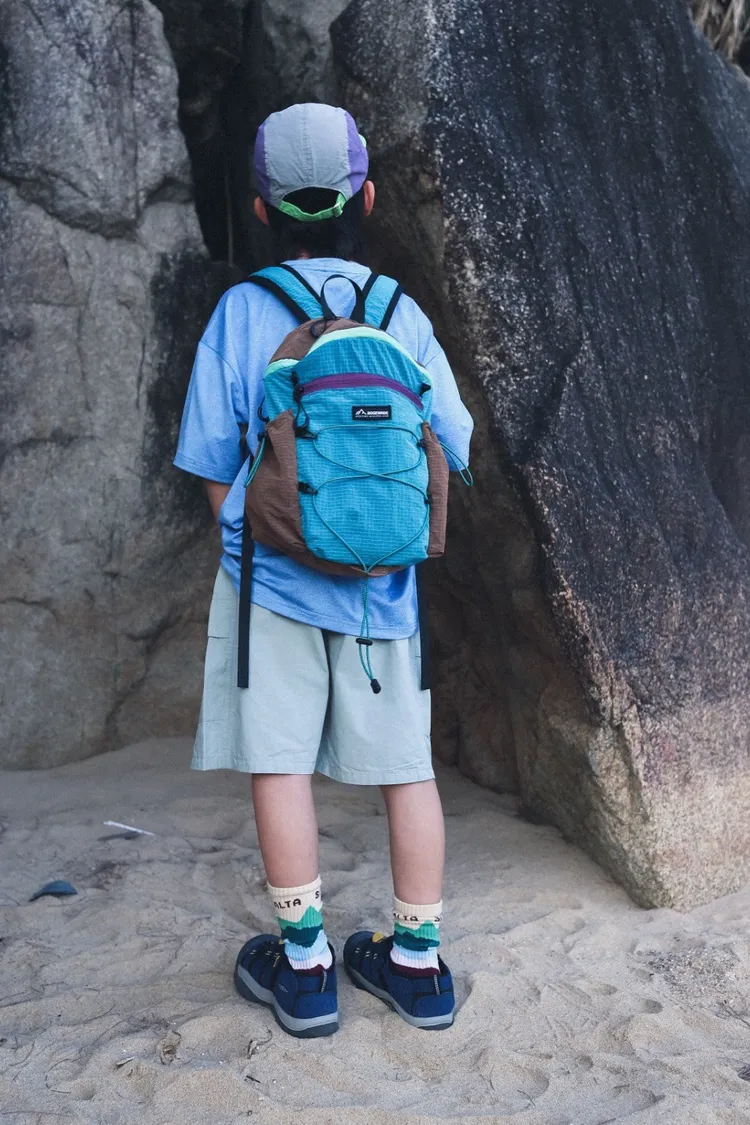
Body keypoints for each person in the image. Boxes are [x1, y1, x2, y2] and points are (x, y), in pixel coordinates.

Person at [174, 102, 473, 1038]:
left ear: (261, 209)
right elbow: (454, 448)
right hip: (384, 592)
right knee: (407, 769)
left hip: (272, 584)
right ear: (367, 199)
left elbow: (209, 460)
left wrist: (252, 541)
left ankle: (305, 968)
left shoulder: (242, 312)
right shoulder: (399, 314)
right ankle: (417, 965)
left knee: (280, 764)